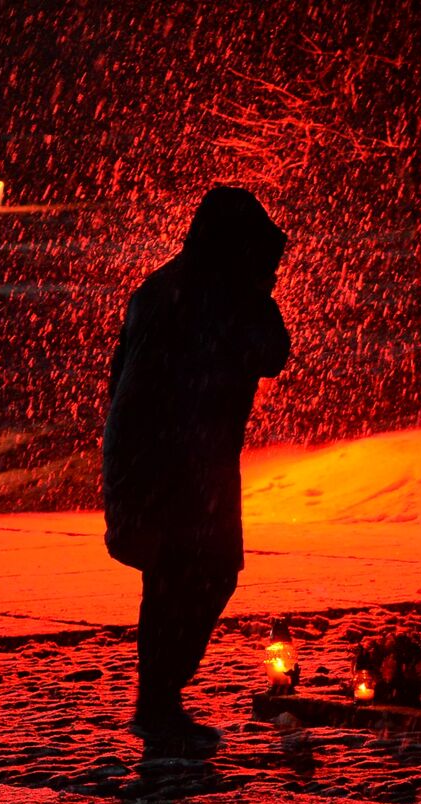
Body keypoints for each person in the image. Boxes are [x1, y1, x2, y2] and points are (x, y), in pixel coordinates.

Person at [103, 186, 290, 746]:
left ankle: (159, 700)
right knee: (198, 575)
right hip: (181, 463)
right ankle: (159, 702)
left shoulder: (163, 289)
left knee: (176, 580)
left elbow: (123, 377)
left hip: (159, 456)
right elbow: (272, 352)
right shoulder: (218, 296)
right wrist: (259, 295)